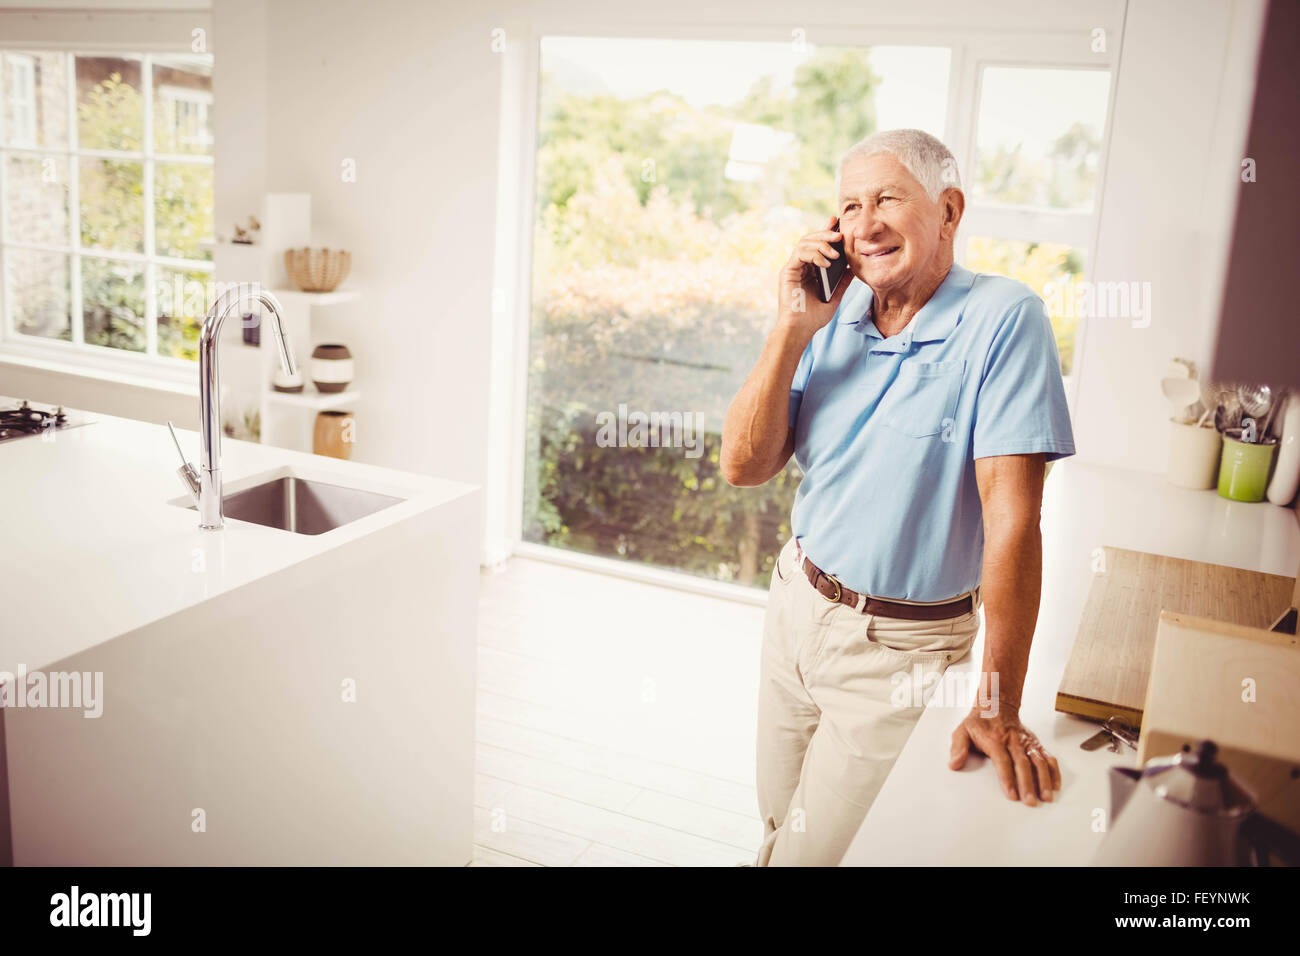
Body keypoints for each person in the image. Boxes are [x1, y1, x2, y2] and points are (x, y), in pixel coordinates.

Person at [721, 129, 1075, 866]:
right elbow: (743, 465)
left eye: (887, 199)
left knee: (814, 856)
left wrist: (997, 703)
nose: (864, 224)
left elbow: (1014, 521)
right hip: (795, 607)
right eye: (848, 206)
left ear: (949, 210)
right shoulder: (828, 316)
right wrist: (789, 327)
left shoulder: (1005, 320)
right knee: (777, 828)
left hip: (900, 652)